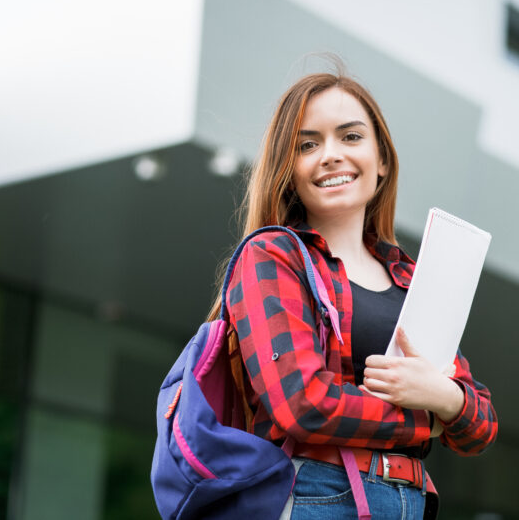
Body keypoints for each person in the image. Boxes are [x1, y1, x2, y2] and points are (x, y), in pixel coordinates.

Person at [205, 71, 497, 519]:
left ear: (381, 159)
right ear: (289, 170)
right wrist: (429, 415)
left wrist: (444, 396)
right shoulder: (272, 255)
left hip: (410, 501)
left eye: (351, 136)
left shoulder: (411, 278)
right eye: (307, 145)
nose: (331, 155)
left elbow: (481, 425)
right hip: (314, 495)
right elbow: (303, 404)